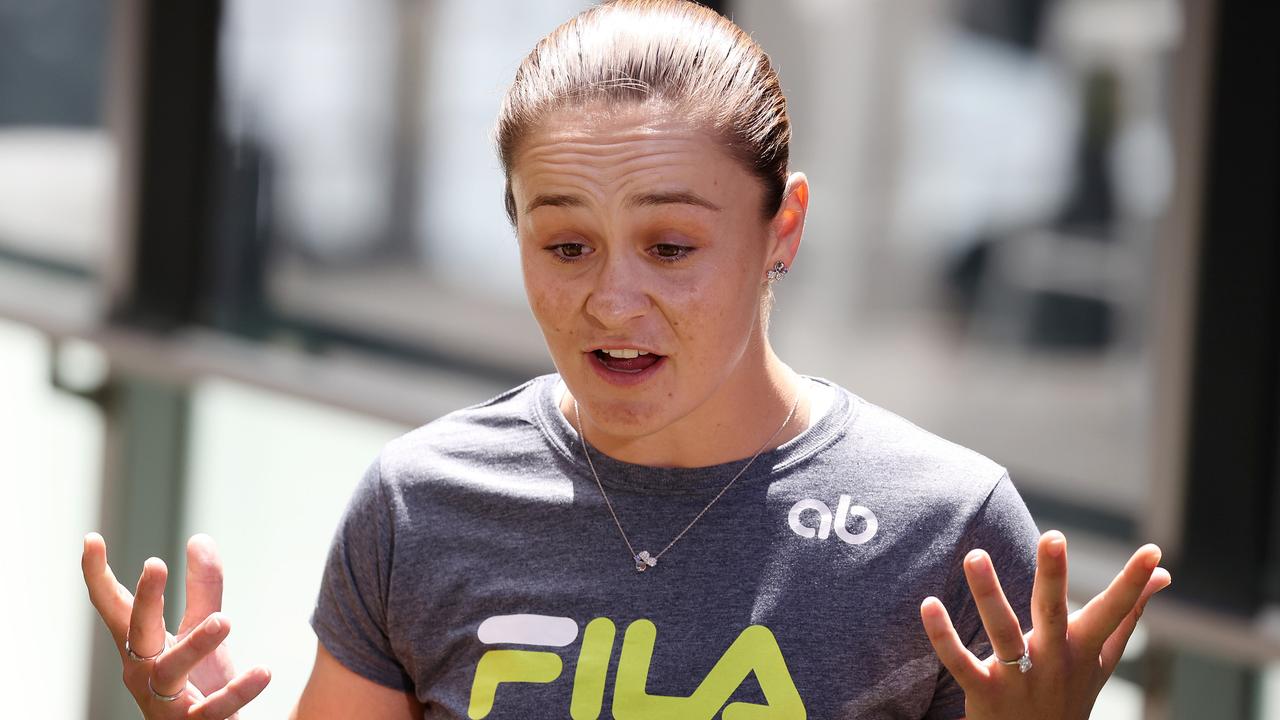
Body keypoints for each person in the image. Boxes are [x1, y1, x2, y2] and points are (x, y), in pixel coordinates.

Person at [81, 1, 1171, 718]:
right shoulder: (420, 503)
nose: (612, 298)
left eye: (670, 247)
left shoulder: (948, 532)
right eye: (563, 245)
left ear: (780, 229)